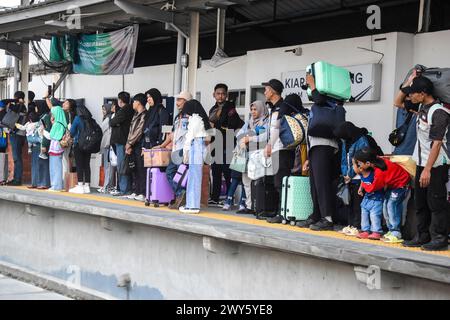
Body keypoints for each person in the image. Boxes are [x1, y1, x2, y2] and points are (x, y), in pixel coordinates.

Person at [402, 76, 450, 251]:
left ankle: (440, 238)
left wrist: (427, 170)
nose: (410, 97)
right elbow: (398, 101)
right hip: (422, 162)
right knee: (420, 202)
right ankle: (422, 236)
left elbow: (437, 143)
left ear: (422, 94)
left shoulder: (439, 112)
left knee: (436, 202)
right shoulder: (421, 107)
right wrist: (410, 80)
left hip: (436, 165)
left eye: (413, 94)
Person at [298, 74, 341, 231]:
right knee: (314, 185)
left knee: (322, 184)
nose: (309, 90)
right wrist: (309, 156)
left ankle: (327, 218)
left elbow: (320, 99)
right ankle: (316, 215)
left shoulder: (329, 101)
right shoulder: (320, 104)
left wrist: (313, 84)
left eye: (310, 87)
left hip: (325, 146)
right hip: (316, 148)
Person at [333, 121, 383, 236]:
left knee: (358, 204)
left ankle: (359, 227)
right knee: (350, 203)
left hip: (360, 177)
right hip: (350, 177)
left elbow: (361, 162)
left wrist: (349, 175)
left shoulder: (362, 141)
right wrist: (346, 174)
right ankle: (351, 225)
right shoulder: (346, 140)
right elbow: (344, 160)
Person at [353, 148, 410, 242]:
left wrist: (362, 178)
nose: (358, 165)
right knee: (385, 206)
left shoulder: (379, 172)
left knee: (392, 206)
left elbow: (371, 188)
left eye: (359, 163)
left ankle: (396, 232)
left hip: (401, 185)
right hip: (393, 185)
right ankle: (391, 230)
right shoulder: (378, 161)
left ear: (367, 163)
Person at [260, 80, 297, 223]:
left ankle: (283, 214)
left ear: (273, 91)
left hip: (282, 149)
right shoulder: (276, 107)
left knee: (281, 182)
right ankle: (280, 212)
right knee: (279, 182)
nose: (265, 92)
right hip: (280, 149)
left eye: (266, 89)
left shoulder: (281, 108)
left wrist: (269, 145)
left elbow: (276, 129)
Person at [208, 83, 244, 206]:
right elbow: (210, 124)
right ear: (214, 95)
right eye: (218, 93)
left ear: (227, 95)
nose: (220, 96)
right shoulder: (213, 109)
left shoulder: (231, 108)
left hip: (228, 142)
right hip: (215, 143)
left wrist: (219, 126)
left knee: (228, 172)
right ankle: (214, 197)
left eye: (223, 94)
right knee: (216, 172)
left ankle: (230, 197)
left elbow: (232, 124)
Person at [155, 91, 192, 210]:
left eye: (179, 100)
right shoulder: (178, 116)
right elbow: (172, 134)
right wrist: (162, 145)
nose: (177, 103)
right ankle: (180, 195)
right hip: (176, 150)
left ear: (186, 101)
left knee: (178, 174)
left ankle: (181, 196)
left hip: (184, 150)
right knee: (171, 173)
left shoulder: (191, 116)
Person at [235, 100, 269, 214]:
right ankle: (249, 206)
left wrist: (250, 138)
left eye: (255, 109)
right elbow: (239, 135)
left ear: (261, 109)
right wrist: (247, 137)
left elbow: (264, 137)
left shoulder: (266, 121)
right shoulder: (249, 121)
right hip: (246, 155)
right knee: (246, 181)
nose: (253, 112)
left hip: (258, 155)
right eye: (252, 109)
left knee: (257, 181)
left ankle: (257, 206)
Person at [179, 100, 211, 214]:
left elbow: (190, 136)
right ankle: (192, 205)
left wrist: (185, 151)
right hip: (199, 146)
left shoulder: (195, 119)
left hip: (195, 146)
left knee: (194, 177)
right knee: (195, 176)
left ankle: (192, 206)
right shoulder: (201, 119)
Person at [353, 154, 385, 240]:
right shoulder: (362, 175)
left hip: (376, 199)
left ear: (361, 168)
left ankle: (376, 231)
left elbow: (379, 183)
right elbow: (363, 181)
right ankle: (365, 231)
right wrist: (360, 188)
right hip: (367, 199)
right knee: (364, 214)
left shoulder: (373, 174)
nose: (353, 167)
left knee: (374, 215)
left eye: (355, 165)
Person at [110, 92, 134, 196]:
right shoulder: (131, 110)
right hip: (126, 140)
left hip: (121, 141)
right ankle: (124, 188)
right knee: (125, 165)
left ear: (120, 100)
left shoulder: (124, 110)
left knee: (122, 165)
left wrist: (115, 122)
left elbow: (112, 122)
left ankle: (123, 189)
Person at [393, 69, 421, 156]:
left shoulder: (415, 107)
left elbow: (396, 102)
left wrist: (409, 82)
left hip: (405, 153)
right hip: (407, 154)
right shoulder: (408, 107)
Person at [125, 94, 147, 202]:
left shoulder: (144, 115)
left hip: (138, 144)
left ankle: (142, 192)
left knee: (140, 169)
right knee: (133, 168)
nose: (132, 103)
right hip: (132, 144)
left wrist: (129, 143)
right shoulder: (135, 114)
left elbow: (139, 131)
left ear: (138, 102)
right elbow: (131, 131)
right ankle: (136, 190)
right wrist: (128, 143)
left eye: (134, 101)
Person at [68, 105, 94, 194]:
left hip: (79, 144)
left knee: (79, 165)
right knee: (86, 165)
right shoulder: (90, 119)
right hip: (89, 145)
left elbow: (71, 133)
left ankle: (80, 186)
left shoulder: (77, 118)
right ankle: (87, 186)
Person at [7, 91, 28, 186]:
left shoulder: (18, 107)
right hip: (20, 135)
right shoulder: (23, 107)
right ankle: (16, 178)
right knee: (17, 157)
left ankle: (17, 179)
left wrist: (12, 104)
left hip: (16, 134)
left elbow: (9, 112)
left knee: (16, 158)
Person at [44, 106, 67, 192]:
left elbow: (51, 136)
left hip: (55, 147)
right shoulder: (62, 123)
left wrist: (43, 131)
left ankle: (56, 186)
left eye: (53, 113)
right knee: (58, 166)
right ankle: (57, 185)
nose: (52, 115)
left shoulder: (57, 124)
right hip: (59, 148)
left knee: (54, 167)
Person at [99, 104, 114, 193]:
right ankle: (107, 185)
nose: (103, 111)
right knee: (108, 166)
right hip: (107, 145)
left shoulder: (108, 119)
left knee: (107, 166)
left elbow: (101, 129)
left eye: (104, 109)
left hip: (107, 145)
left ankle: (106, 186)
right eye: (102, 109)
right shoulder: (107, 118)